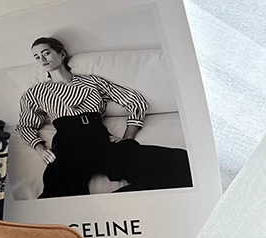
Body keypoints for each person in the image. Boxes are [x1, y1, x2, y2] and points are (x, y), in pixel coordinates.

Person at [17, 36, 192, 198]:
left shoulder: (92, 82)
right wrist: (41, 149)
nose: (42, 59)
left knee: (180, 165)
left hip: (98, 137)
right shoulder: (36, 92)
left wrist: (127, 138)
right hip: (67, 143)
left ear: (61, 54)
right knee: (58, 196)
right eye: (37, 57)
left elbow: (136, 101)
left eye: (46, 53)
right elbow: (25, 125)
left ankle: (117, 200)